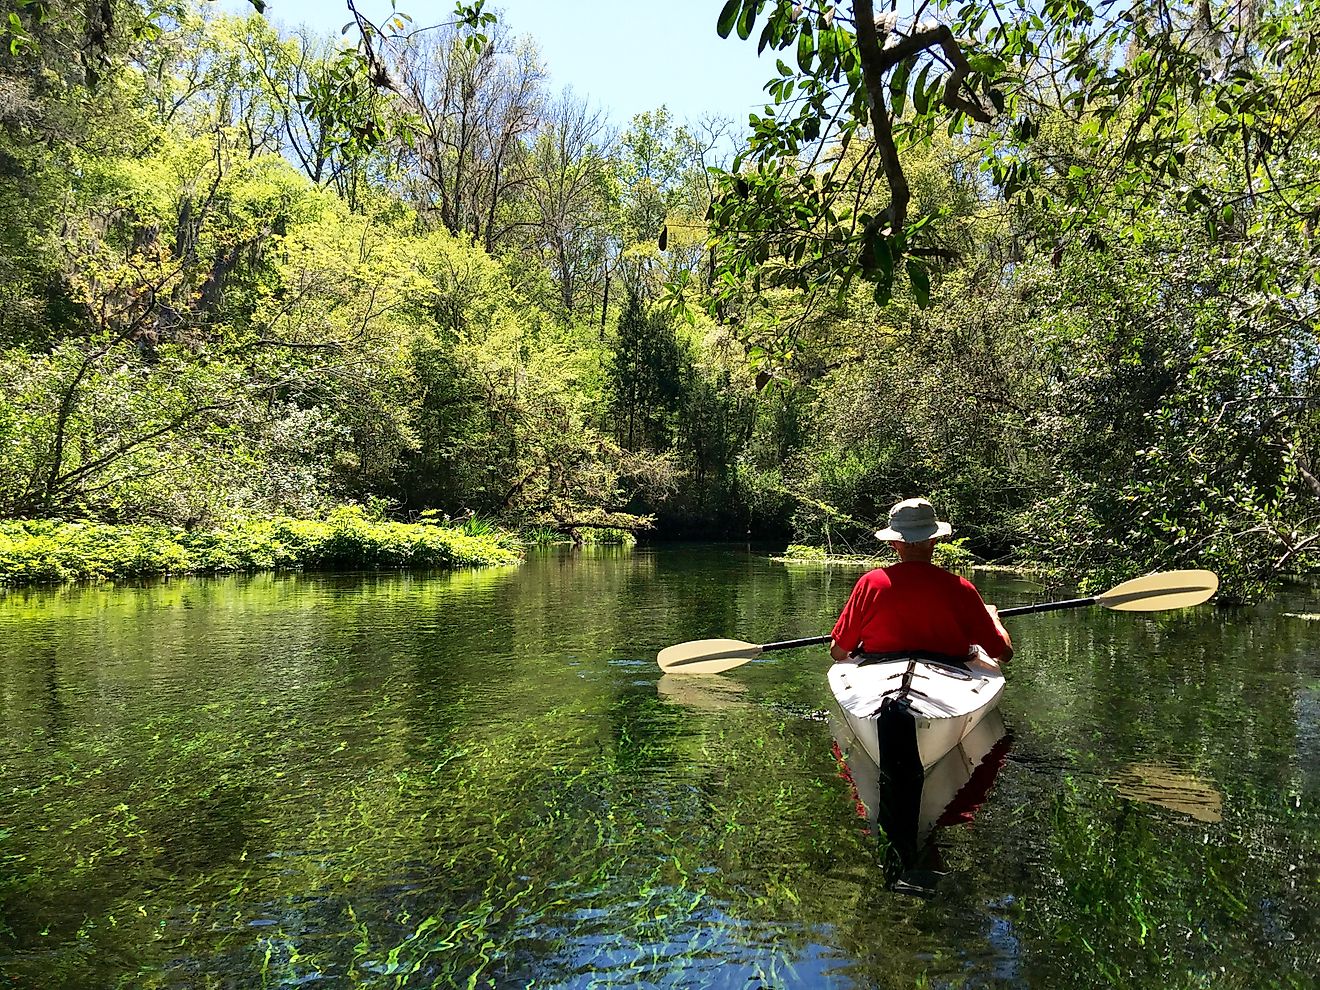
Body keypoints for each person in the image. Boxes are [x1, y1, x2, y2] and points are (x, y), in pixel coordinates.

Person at [829, 497, 1013, 666]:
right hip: (950, 671)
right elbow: (1004, 653)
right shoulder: (962, 588)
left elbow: (838, 652)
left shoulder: (870, 583)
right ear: (934, 540)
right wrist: (993, 618)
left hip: (879, 668)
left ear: (893, 543)